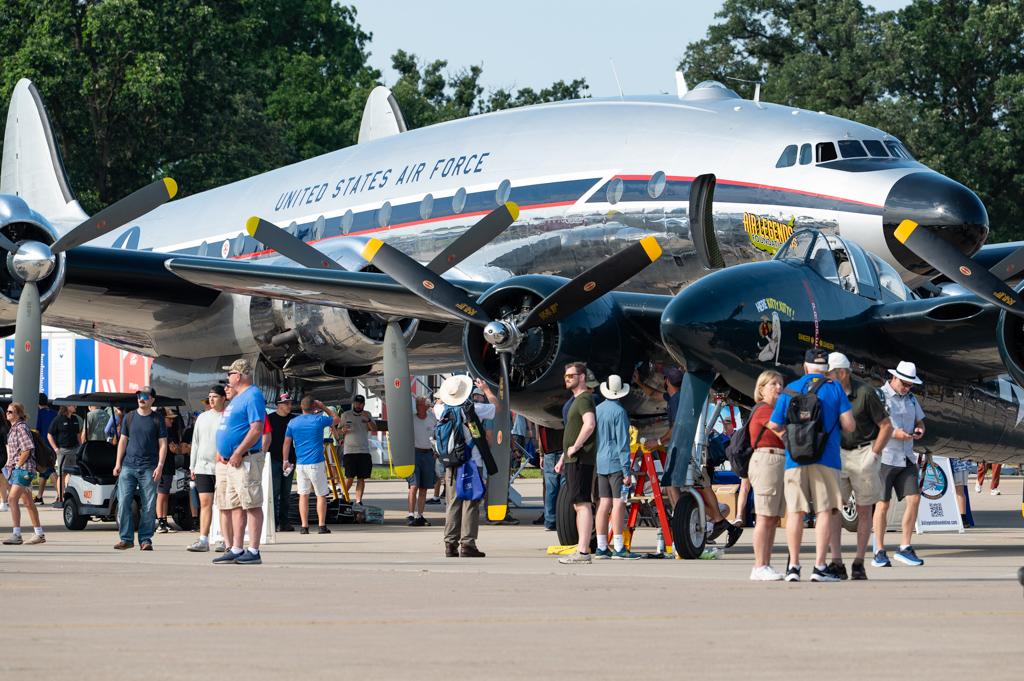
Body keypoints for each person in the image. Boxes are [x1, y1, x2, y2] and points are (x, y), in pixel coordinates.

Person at [767, 349, 855, 582]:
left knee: (795, 512)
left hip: (794, 460)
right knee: (824, 511)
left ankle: (793, 567)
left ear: (805, 367)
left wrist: (791, 440)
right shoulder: (835, 388)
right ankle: (819, 567)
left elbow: (773, 424)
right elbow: (849, 425)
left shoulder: (790, 389)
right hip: (827, 459)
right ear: (826, 368)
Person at [646, 366, 741, 547]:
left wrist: (657, 441)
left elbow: (677, 425)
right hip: (688, 447)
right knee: (698, 483)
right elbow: (654, 394)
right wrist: (639, 383)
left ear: (666, 381)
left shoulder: (677, 400)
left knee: (674, 483)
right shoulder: (677, 396)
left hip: (683, 448)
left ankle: (683, 520)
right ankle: (716, 522)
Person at [826, 352, 893, 580]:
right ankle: (836, 561)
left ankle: (859, 562)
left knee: (864, 509)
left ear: (842, 373)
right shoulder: (829, 392)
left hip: (863, 452)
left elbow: (886, 426)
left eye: (830, 374)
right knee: (834, 507)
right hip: (838, 453)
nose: (827, 378)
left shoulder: (865, 393)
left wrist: (874, 454)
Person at [212, 358, 268, 565]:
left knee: (251, 503)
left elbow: (256, 428)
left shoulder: (252, 395)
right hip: (232, 462)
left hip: (246, 459)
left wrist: (238, 452)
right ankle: (236, 547)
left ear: (240, 375)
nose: (228, 377)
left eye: (230, 373)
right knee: (236, 504)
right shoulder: (238, 397)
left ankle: (253, 550)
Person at [435, 375, 498, 557]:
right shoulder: (475, 408)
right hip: (472, 462)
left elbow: (436, 404)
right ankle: (468, 544)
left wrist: (443, 395)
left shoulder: (441, 410)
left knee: (453, 502)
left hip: (452, 462)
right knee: (471, 502)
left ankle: (450, 544)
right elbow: (497, 407)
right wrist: (486, 389)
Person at [873, 361, 926, 568]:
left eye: (910, 385)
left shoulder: (911, 398)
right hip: (886, 456)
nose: (906, 388)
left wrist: (920, 429)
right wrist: (895, 433)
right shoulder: (879, 396)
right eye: (904, 384)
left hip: (906, 457)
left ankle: (905, 547)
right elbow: (873, 425)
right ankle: (879, 550)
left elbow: (920, 421)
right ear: (894, 378)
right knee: (883, 504)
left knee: (914, 499)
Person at [112, 387, 168, 551]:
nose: (141, 399)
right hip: (128, 466)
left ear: (152, 399)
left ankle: (145, 540)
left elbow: (163, 444)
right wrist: (118, 463)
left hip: (149, 467)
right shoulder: (129, 417)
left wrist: (160, 466)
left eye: (144, 396)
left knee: (149, 506)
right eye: (138, 396)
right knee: (123, 502)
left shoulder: (157, 419)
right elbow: (123, 441)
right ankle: (126, 539)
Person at [593, 374, 639, 560]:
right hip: (616, 463)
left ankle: (601, 546)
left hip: (600, 462)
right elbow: (623, 444)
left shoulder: (597, 410)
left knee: (603, 503)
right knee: (619, 503)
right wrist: (627, 470)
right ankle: (619, 546)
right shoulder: (620, 412)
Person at [746, 369, 787, 581]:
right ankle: (759, 565)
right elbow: (780, 430)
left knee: (772, 517)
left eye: (780, 384)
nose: (779, 387)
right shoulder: (764, 409)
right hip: (767, 460)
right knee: (764, 516)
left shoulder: (774, 410)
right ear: (761, 389)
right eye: (773, 384)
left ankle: (765, 564)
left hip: (777, 460)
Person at [556, 362, 598, 564]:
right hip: (573, 458)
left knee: (582, 504)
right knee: (578, 504)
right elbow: (572, 430)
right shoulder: (575, 401)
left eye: (571, 376)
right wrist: (563, 457)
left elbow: (589, 424)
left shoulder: (584, 399)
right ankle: (581, 550)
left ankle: (582, 551)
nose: (567, 379)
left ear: (582, 377)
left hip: (580, 458)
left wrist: (576, 447)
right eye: (565, 376)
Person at [284, 396, 340, 534]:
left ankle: (304, 526)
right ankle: (321, 525)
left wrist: (286, 460)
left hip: (301, 464)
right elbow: (336, 419)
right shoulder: (318, 420)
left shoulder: (293, 422)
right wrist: (323, 407)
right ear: (314, 407)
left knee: (303, 495)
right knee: (321, 494)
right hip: (316, 462)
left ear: (301, 407)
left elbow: (287, 443)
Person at [186, 386, 226, 552]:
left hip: (222, 467)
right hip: (202, 467)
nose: (211, 399)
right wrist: (192, 465)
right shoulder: (202, 417)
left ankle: (224, 539)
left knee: (223, 504)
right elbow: (195, 442)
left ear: (223, 398)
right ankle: (203, 539)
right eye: (210, 397)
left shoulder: (228, 416)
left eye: (215, 396)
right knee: (205, 503)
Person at [2, 402, 46, 545]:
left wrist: (17, 466)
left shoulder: (20, 428)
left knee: (12, 499)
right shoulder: (13, 428)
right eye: (7, 411)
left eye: (11, 412)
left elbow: (27, 449)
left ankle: (17, 535)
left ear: (19, 414)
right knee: (28, 502)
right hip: (20, 469)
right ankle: (39, 534)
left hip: (23, 470)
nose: (7, 413)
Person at [266, 392, 296, 532]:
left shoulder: (294, 419)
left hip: (290, 460)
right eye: (286, 403)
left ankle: (284, 522)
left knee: (286, 492)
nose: (289, 406)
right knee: (274, 491)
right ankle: (273, 522)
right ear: (278, 405)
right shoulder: (270, 418)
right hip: (273, 459)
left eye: (290, 403)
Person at [339, 394, 376, 504]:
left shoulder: (368, 414)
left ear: (363, 404)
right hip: (349, 451)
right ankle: (343, 496)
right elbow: (338, 432)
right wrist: (343, 430)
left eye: (360, 403)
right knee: (349, 477)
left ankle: (358, 501)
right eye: (356, 403)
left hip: (364, 451)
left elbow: (374, 429)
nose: (358, 405)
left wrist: (368, 420)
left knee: (361, 477)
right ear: (353, 403)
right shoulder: (346, 415)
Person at [407, 396, 437, 526]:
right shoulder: (411, 418)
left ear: (426, 406)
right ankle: (410, 514)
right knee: (414, 485)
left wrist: (436, 450)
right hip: (414, 453)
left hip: (428, 454)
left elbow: (436, 435)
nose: (418, 407)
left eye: (420, 404)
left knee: (424, 488)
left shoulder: (432, 418)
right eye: (417, 404)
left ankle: (420, 515)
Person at [156, 408, 185, 533]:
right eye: (169, 419)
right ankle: (160, 522)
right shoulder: (161, 432)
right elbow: (173, 449)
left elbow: (175, 449)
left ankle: (164, 520)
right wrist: (177, 449)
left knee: (166, 494)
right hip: (162, 467)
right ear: (163, 419)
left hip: (169, 466)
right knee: (161, 494)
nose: (172, 421)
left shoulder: (168, 432)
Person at [47, 405, 83, 505]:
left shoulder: (75, 418)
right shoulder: (58, 419)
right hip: (63, 450)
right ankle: (60, 497)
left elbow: (78, 435)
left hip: (75, 449)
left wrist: (81, 447)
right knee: (62, 474)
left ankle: (68, 495)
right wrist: (55, 448)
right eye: (73, 405)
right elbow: (49, 435)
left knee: (72, 474)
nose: (75, 407)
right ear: (67, 406)